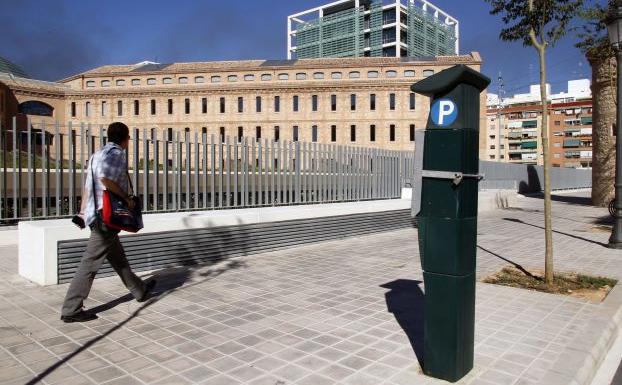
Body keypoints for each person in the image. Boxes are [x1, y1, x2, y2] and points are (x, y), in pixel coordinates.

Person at [60, 122, 156, 323]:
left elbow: (89, 186)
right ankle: (71, 309)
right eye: (129, 139)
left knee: (118, 259)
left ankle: (140, 290)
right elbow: (106, 180)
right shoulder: (116, 154)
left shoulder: (96, 155)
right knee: (90, 262)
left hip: (95, 214)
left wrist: (81, 211)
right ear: (126, 138)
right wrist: (127, 199)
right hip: (107, 217)